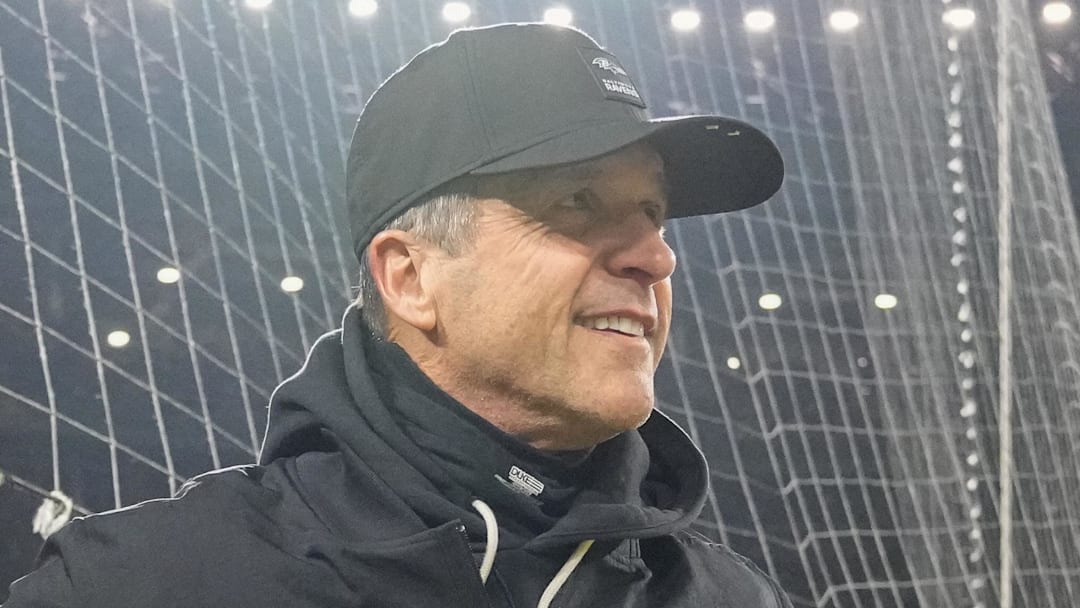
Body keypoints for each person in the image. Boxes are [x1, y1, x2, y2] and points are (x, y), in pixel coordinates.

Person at [4, 22, 787, 607]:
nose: (656, 257)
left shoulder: (734, 599)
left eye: (652, 211)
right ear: (409, 277)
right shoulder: (142, 586)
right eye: (578, 201)